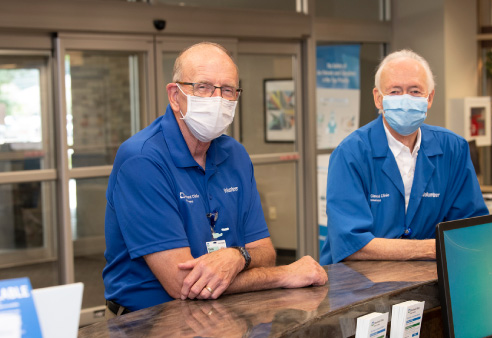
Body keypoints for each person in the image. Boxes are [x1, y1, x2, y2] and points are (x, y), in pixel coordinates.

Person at [103, 42, 327, 315]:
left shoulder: (235, 154)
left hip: (226, 313)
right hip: (149, 321)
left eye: (228, 90)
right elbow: (183, 283)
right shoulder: (142, 160)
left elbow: (265, 253)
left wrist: (237, 256)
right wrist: (284, 276)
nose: (218, 99)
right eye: (203, 87)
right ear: (175, 96)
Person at [319, 49, 488, 265]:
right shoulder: (351, 154)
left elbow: (471, 228)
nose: (405, 99)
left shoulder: (453, 149)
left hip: (426, 281)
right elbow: (352, 244)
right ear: (378, 98)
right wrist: (430, 248)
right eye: (395, 91)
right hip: (358, 286)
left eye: (415, 91)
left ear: (430, 97)